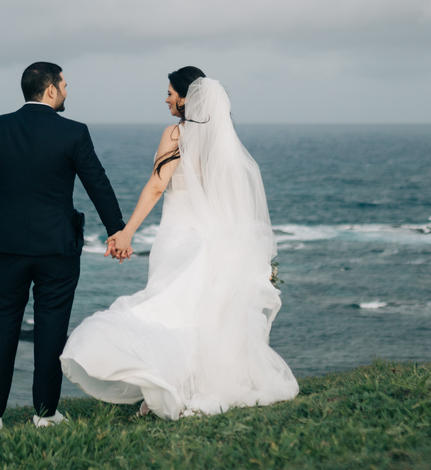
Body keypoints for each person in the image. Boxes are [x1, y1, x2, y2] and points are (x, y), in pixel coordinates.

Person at [60, 67, 298, 420]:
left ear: (188, 99)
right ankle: (184, 385)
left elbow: (156, 187)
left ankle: (167, 385)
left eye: (171, 93)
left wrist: (126, 233)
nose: (167, 99)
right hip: (215, 239)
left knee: (168, 308)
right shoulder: (223, 140)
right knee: (201, 315)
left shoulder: (175, 134)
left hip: (180, 236)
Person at [0, 61, 128, 431]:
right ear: (51, 89)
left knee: (2, 324)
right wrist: (116, 230)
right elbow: (97, 183)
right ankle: (45, 413)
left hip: (5, 245)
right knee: (52, 328)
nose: (67, 92)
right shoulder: (73, 132)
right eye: (65, 85)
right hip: (57, 247)